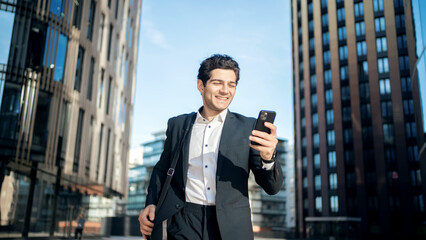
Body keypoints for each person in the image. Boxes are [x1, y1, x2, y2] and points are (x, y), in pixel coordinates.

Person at [138, 54, 283, 240]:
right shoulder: (178, 124)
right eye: (217, 83)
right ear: (201, 85)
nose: (225, 90)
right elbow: (162, 168)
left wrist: (268, 157)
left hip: (229, 226)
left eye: (231, 85)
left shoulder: (248, 127)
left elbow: (272, 187)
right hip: (182, 220)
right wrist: (151, 203)